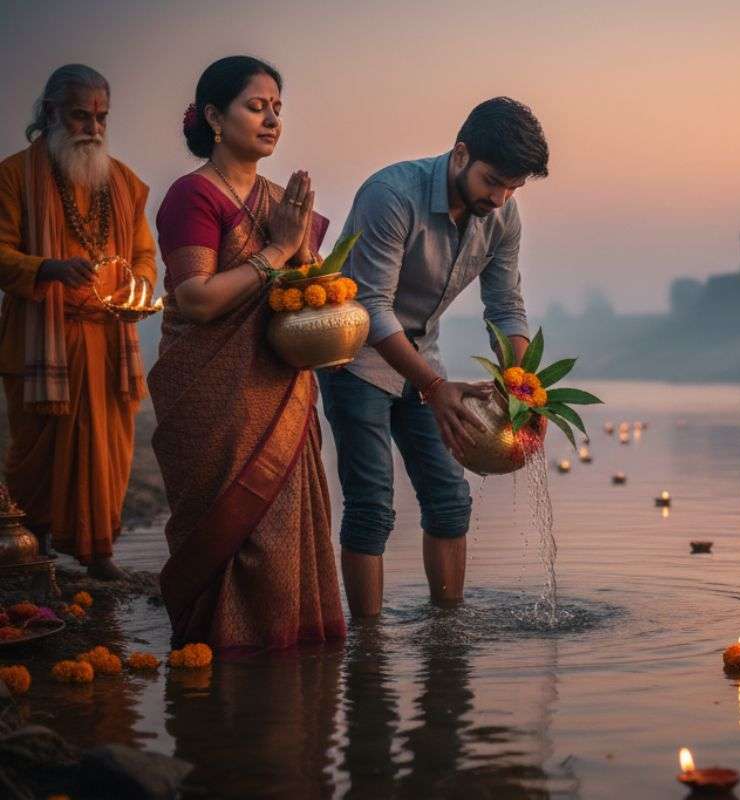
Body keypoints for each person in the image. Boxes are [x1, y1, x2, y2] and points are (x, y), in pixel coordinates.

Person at [320, 96, 549, 615]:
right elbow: (372, 307)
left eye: (514, 186)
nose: (502, 196)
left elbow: (506, 308)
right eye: (494, 181)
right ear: (462, 154)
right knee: (372, 507)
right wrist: (432, 387)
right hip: (355, 362)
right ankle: (369, 647)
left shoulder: (502, 215)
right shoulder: (390, 195)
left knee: (449, 502)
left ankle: (446, 634)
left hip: (426, 361)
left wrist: (522, 391)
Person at [150, 55, 344, 649]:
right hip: (213, 394)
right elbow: (197, 299)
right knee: (231, 530)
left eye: (277, 109)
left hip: (280, 390)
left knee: (282, 527)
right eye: (255, 107)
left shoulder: (281, 200)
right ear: (214, 115)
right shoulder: (193, 196)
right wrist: (282, 248)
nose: (270, 120)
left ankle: (285, 676)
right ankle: (221, 664)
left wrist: (304, 256)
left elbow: (307, 301)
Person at [0, 64, 156, 579]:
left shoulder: (126, 183)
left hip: (110, 340)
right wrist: (48, 267)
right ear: (49, 114)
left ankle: (100, 553)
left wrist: (137, 288)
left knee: (109, 451)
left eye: (100, 117)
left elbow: (143, 256)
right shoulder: (13, 176)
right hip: (40, 341)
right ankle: (33, 544)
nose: (92, 127)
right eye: (80, 116)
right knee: (37, 454)